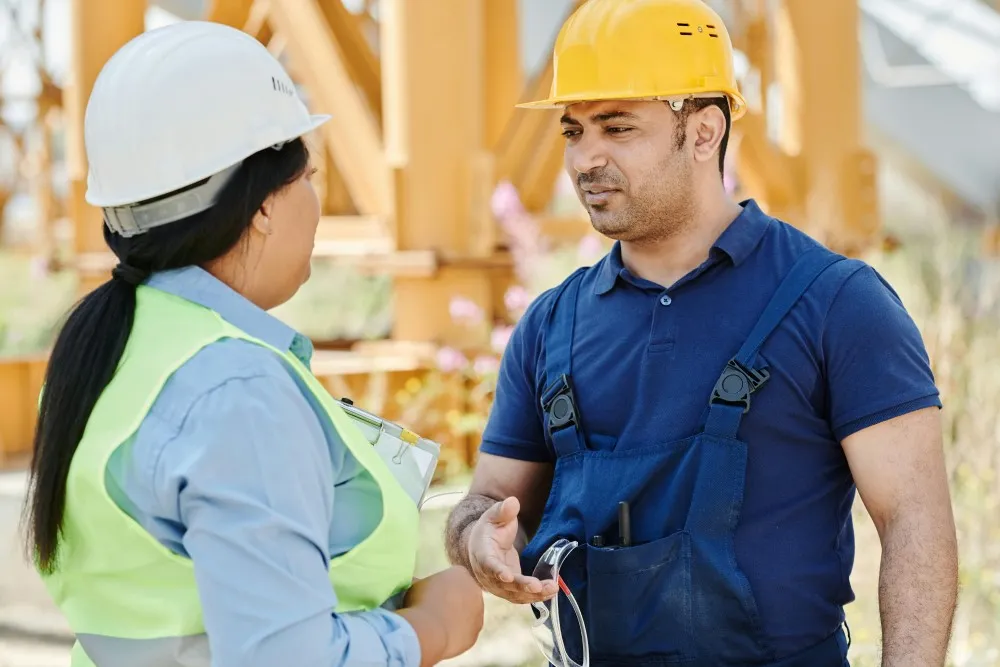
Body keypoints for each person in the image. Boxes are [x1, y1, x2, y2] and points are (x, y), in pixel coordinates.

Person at [445, 0, 958, 665]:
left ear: (705, 131)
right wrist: (476, 539)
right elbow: (483, 500)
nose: (584, 158)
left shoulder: (836, 303)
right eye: (573, 130)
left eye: (617, 127)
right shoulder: (551, 326)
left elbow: (916, 524)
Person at [21, 20, 483, 667]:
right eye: (308, 178)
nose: (316, 205)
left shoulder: (111, 350)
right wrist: (435, 626)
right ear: (263, 204)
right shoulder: (235, 387)